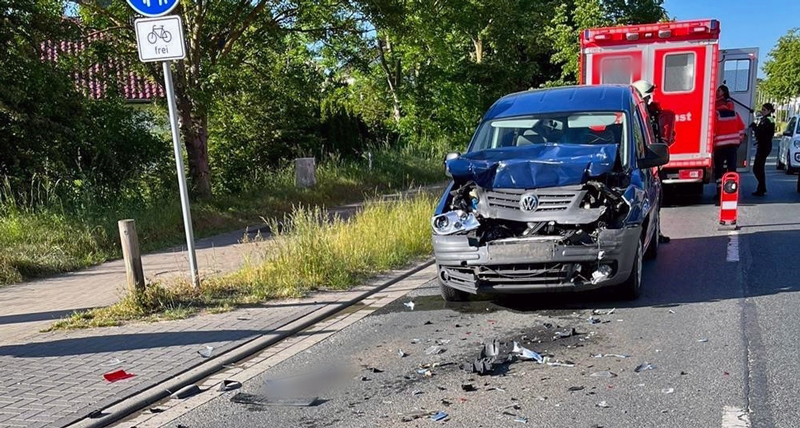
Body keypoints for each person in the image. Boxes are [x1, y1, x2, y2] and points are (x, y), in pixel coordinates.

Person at [631, 80, 670, 243]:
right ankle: (650, 234)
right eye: (647, 98)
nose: (649, 101)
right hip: (642, 165)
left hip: (651, 163)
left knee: (656, 199)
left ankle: (655, 232)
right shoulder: (635, 115)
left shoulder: (649, 114)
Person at [713, 85, 746, 195]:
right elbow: (742, 129)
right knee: (732, 168)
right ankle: (732, 190)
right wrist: (738, 141)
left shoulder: (716, 115)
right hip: (732, 146)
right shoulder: (735, 114)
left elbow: (713, 131)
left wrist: (711, 143)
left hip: (720, 146)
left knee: (719, 169)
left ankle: (719, 192)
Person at [750, 103, 776, 196]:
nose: (762, 111)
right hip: (764, 145)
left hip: (764, 146)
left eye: (764, 110)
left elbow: (761, 132)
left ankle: (762, 188)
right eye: (762, 109)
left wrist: (754, 127)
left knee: (757, 168)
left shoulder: (767, 120)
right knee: (759, 168)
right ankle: (761, 188)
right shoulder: (768, 119)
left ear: (769, 111)